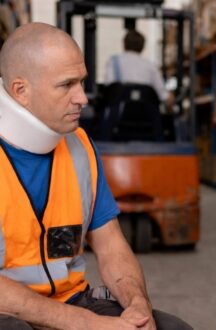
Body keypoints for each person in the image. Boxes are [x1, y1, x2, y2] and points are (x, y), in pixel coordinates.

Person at [0, 22, 192, 330]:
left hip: (72, 301)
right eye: (66, 85)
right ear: (20, 91)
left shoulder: (80, 146)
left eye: (82, 82)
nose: (83, 98)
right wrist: (87, 323)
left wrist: (137, 304)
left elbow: (111, 245)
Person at [104, 29, 171, 105]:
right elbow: (164, 96)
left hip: (119, 112)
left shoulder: (113, 62)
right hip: (146, 113)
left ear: (124, 44)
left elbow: (109, 87)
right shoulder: (150, 66)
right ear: (142, 47)